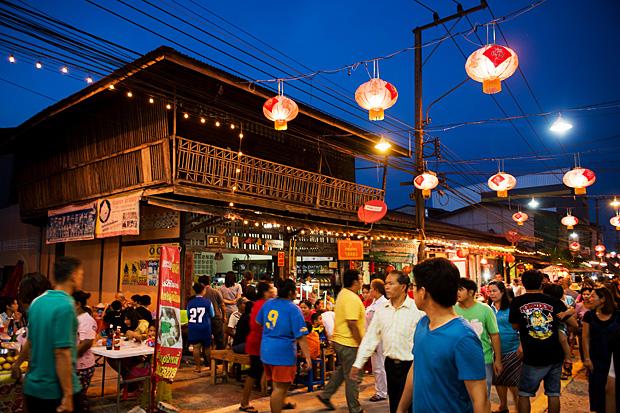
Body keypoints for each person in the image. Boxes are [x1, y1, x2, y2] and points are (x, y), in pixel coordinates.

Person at [397, 258, 489, 413]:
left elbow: (480, 400)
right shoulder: (423, 324)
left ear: (423, 292)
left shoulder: (463, 337)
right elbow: (416, 368)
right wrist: (401, 409)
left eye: (414, 286)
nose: (412, 292)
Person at [352, 271, 424, 413]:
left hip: (412, 366)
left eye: (391, 283)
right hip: (390, 365)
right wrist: (358, 363)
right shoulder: (382, 310)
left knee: (413, 406)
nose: (387, 287)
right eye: (386, 283)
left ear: (403, 287)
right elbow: (371, 337)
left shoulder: (417, 310)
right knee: (395, 405)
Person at [509, 270, 577, 413]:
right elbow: (574, 324)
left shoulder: (517, 301)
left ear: (523, 283)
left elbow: (515, 326)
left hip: (531, 354)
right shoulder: (554, 301)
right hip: (554, 353)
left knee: (524, 393)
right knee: (553, 393)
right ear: (541, 283)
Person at [23, 256, 84, 413]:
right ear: (73, 275)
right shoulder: (66, 305)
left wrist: (17, 364)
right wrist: (68, 395)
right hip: (55, 392)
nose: (81, 278)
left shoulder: (37, 302)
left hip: (32, 388)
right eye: (81, 273)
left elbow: (30, 342)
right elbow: (62, 353)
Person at [257, 279, 312, 413]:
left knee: (278, 384)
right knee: (279, 388)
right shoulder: (293, 309)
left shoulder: (268, 303)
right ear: (291, 292)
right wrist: (308, 357)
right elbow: (301, 337)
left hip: (266, 350)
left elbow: (259, 322)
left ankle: (281, 403)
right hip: (282, 353)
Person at [317, 269, 366, 413]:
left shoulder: (343, 294)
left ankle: (326, 395)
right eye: (360, 279)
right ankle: (355, 409)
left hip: (340, 340)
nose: (362, 282)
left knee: (342, 371)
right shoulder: (351, 298)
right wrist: (361, 343)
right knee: (353, 376)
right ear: (355, 281)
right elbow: (352, 323)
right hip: (349, 342)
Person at [455, 278, 503, 396]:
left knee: (483, 396)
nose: (457, 292)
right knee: (461, 396)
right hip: (458, 360)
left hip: (483, 359)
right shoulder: (452, 309)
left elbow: (494, 335)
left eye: (460, 289)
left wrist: (497, 360)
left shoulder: (485, 310)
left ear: (471, 292)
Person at [239, 281, 275, 413]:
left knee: (269, 370)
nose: (272, 293)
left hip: (258, 341)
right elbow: (258, 325)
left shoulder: (259, 304)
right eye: (270, 291)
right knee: (254, 372)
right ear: (264, 292)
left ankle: (278, 398)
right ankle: (244, 403)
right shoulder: (264, 305)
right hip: (259, 343)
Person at [583, 286, 620, 413]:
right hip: (596, 358)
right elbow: (585, 338)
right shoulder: (589, 316)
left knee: (613, 390)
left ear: (603, 299)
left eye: (593, 296)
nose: (589, 298)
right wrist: (587, 358)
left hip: (614, 359)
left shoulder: (617, 315)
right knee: (597, 389)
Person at [487, 281, 521, 413]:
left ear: (502, 292)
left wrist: (521, 345)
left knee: (514, 383)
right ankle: (503, 406)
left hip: (512, 349)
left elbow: (521, 327)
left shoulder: (512, 307)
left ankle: (519, 408)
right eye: (489, 291)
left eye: (494, 291)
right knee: (499, 380)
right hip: (495, 351)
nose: (491, 294)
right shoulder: (488, 309)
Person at [359, 278, 389, 403]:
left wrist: (376, 341)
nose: (369, 291)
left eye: (371, 289)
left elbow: (383, 324)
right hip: (372, 338)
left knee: (380, 366)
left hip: (379, 340)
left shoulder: (383, 304)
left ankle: (382, 392)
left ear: (376, 290)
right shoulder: (374, 303)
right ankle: (382, 389)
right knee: (377, 366)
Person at [73, 290, 97, 413]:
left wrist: (68, 358)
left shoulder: (86, 320)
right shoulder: (74, 318)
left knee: (77, 399)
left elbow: (86, 343)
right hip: (74, 365)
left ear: (77, 304)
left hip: (81, 367)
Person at [187, 282, 215, 373]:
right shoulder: (207, 302)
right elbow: (212, 314)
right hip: (205, 327)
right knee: (207, 347)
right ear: (203, 290)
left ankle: (198, 367)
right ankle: (211, 367)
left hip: (193, 327)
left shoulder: (190, 303)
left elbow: (188, 315)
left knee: (196, 347)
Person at [199, 275, 227, 350]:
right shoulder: (216, 292)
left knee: (205, 341)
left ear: (201, 283)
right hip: (216, 318)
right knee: (219, 340)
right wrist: (224, 316)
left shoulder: (200, 293)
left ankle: (206, 356)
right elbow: (222, 305)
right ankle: (220, 356)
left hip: (204, 318)